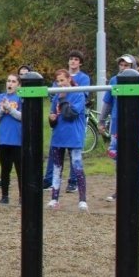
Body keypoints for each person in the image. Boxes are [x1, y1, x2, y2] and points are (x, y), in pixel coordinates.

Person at [101, 55, 139, 202]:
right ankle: (120, 189)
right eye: (121, 65)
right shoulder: (114, 80)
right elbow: (107, 102)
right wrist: (101, 121)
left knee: (136, 159)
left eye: (126, 65)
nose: (123, 68)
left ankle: (135, 192)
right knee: (119, 160)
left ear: (133, 67)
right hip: (117, 127)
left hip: (135, 127)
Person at [44, 50, 90, 191]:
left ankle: (73, 181)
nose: (73, 61)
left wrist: (64, 99)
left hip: (74, 119)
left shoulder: (83, 78)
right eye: (71, 59)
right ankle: (49, 180)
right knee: (55, 151)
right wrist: (53, 115)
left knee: (74, 154)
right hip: (60, 122)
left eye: (76, 59)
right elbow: (54, 98)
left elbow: (82, 96)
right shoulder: (59, 81)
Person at [47, 69, 88, 211]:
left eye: (62, 80)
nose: (60, 84)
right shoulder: (56, 97)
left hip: (74, 136)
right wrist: (51, 119)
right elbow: (54, 116)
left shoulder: (78, 94)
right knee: (57, 168)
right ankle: (54, 198)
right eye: (58, 81)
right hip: (59, 137)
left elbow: (70, 114)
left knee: (77, 167)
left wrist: (63, 99)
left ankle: (82, 200)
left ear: (69, 79)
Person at [0, 73, 23, 205]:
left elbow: (23, 117)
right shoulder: (0, 97)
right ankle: (5, 196)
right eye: (8, 81)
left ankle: (23, 197)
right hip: (3, 139)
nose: (10, 84)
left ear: (19, 84)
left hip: (18, 140)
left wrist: (10, 109)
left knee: (20, 170)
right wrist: (1, 110)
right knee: (5, 169)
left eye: (13, 81)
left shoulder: (21, 97)